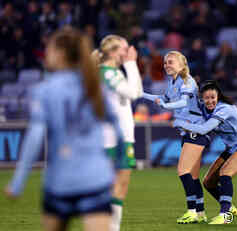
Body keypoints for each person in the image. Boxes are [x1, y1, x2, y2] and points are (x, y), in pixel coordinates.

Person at [4, 27, 123, 231]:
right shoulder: (96, 87)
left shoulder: (45, 90)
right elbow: (118, 129)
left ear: (59, 54)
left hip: (60, 181)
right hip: (95, 179)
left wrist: (18, 181)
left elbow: (34, 138)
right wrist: (118, 167)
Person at [173, 80, 237, 224]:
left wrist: (180, 123)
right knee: (208, 182)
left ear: (218, 96)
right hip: (232, 148)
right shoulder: (203, 108)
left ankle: (225, 214)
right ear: (202, 98)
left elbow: (204, 129)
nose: (210, 101)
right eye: (207, 98)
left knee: (225, 173)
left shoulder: (225, 108)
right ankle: (228, 206)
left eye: (213, 97)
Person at [143, 51, 208, 224]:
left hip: (196, 130)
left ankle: (191, 211)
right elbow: (161, 99)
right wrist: (141, 94)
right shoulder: (172, 83)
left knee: (183, 170)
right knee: (193, 175)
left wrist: (167, 105)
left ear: (181, 64)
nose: (166, 65)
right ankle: (200, 212)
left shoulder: (187, 80)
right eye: (165, 63)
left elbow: (183, 102)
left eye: (170, 62)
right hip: (188, 131)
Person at [91, 34, 143, 231]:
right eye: (124, 48)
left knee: (120, 188)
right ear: (113, 51)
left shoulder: (114, 72)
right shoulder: (107, 73)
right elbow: (132, 93)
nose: (128, 52)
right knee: (113, 188)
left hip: (120, 139)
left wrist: (131, 65)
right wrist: (131, 64)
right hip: (111, 140)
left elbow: (136, 91)